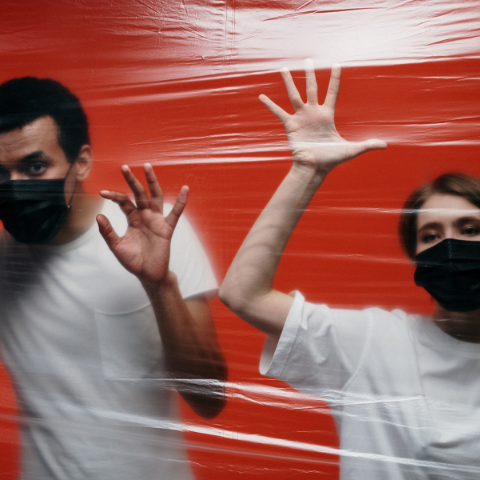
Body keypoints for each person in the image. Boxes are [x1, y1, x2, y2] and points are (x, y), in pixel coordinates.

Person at [219, 59, 480, 479]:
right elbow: (243, 295)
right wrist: (307, 170)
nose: (450, 247)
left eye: (470, 229)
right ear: (415, 257)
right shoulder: (375, 343)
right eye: (431, 236)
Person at [0, 76, 227, 480]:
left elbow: (208, 400)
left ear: (81, 161)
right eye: (1, 174)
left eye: (35, 166)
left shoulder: (157, 232)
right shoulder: (3, 260)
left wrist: (159, 285)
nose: (15, 188)